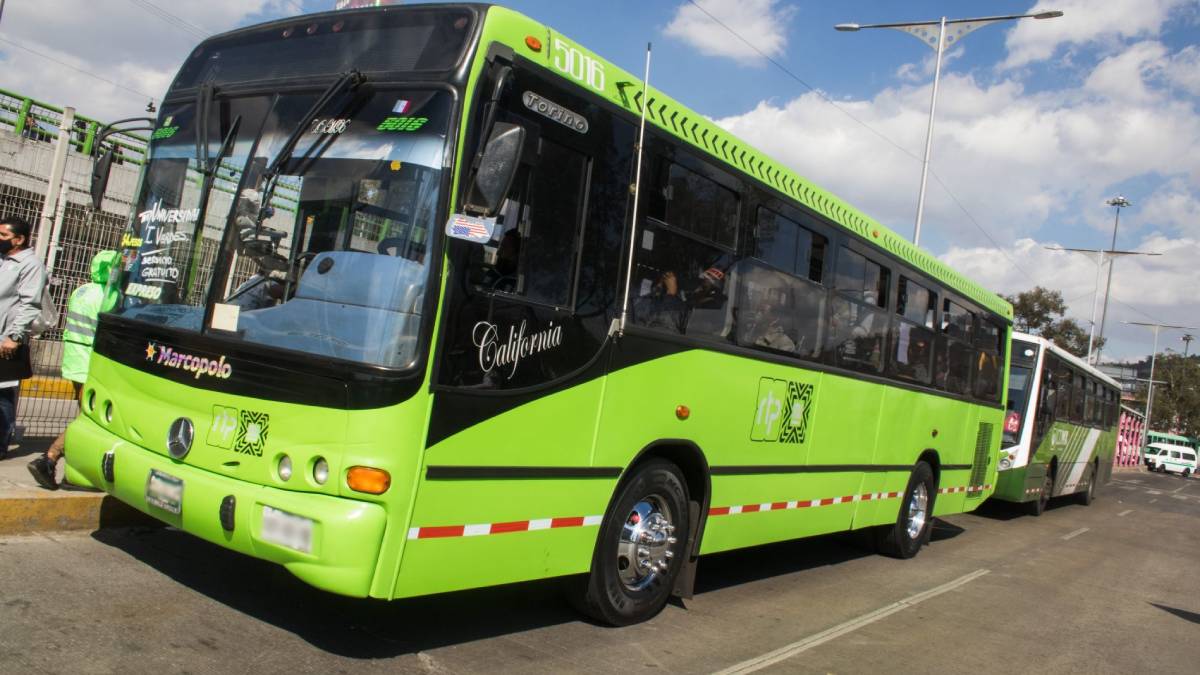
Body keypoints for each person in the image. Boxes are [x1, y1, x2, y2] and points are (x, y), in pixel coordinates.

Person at [27, 250, 120, 489]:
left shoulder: (82, 291)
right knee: (88, 418)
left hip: (73, 360)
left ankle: (71, 468)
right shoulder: (109, 297)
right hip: (91, 363)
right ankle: (50, 458)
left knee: (86, 415)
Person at [0, 215, 47, 460]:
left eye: (3, 235)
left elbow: (30, 304)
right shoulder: (4, 260)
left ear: (19, 239)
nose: (0, 239)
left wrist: (14, 337)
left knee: (2, 395)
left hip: (6, 339)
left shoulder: (31, 265)